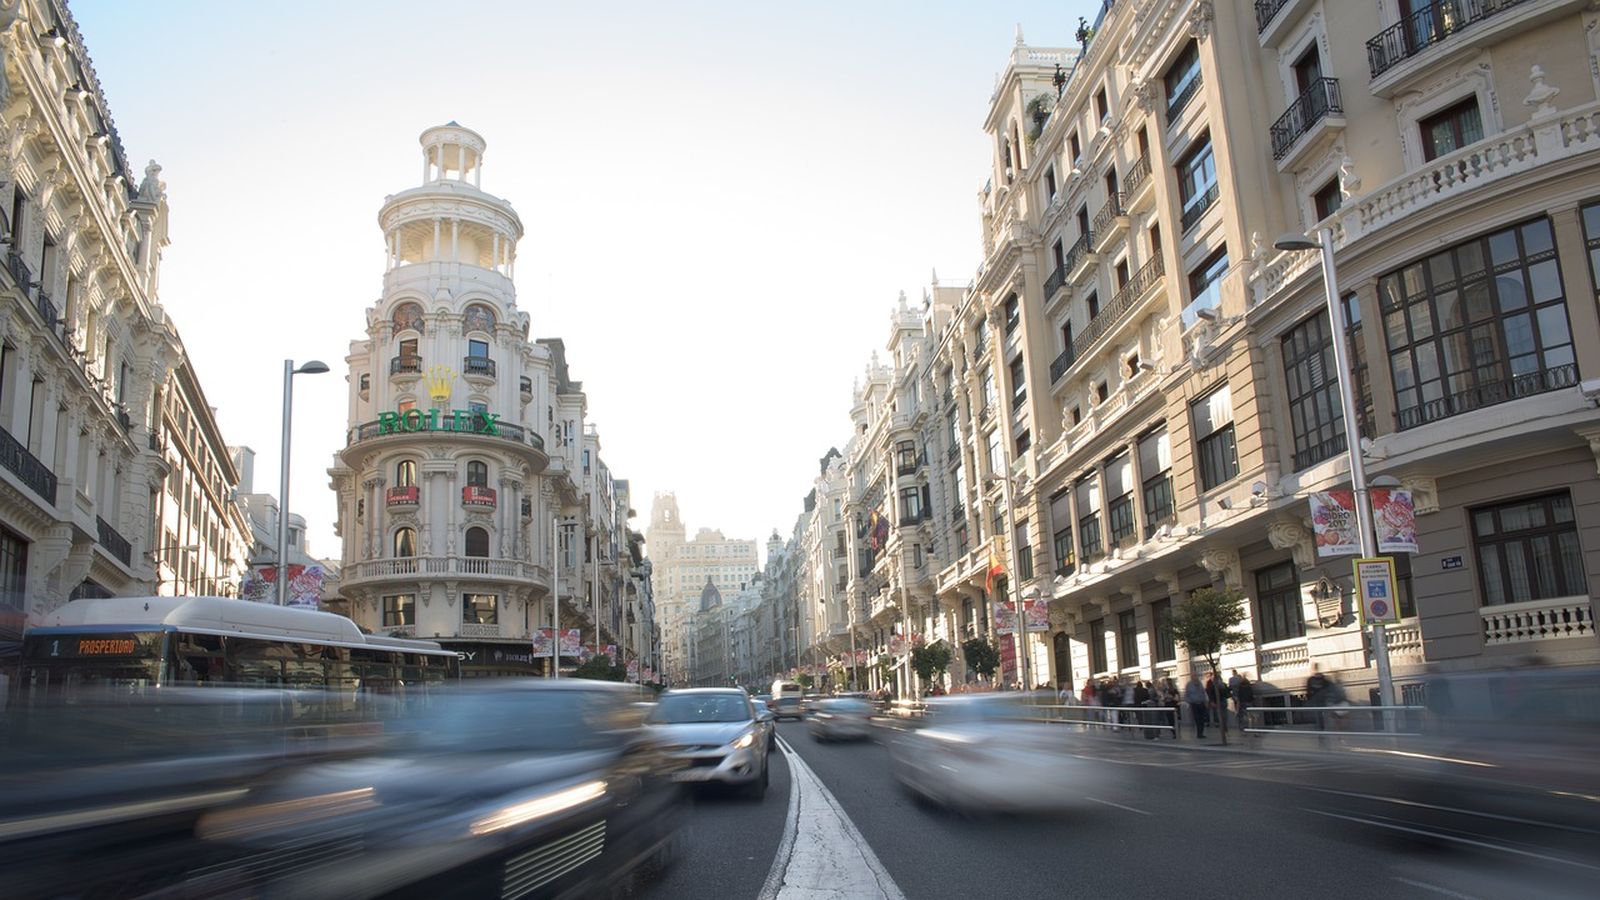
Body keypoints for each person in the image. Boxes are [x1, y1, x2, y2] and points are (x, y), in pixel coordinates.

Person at [1184, 674, 1208, 739]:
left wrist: (1205, 700)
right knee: (1197, 719)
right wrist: (1190, 702)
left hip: (1201, 703)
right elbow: (1186, 695)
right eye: (1194, 676)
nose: (1196, 677)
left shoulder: (1200, 684)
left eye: (1196, 676)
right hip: (1194, 704)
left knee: (1202, 719)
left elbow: (1203, 693)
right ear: (1192, 677)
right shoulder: (1189, 685)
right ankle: (1199, 733)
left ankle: (1201, 733)